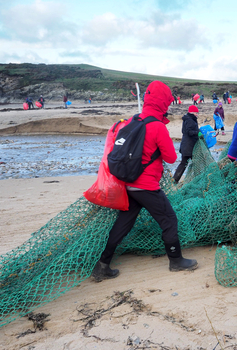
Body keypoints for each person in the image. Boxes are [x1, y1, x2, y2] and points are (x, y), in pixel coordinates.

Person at [92, 80, 198, 282]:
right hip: (146, 186)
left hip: (128, 184)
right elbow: (171, 158)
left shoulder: (133, 121)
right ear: (163, 103)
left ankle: (102, 265)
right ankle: (176, 260)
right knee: (169, 220)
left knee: (122, 225)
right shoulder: (157, 126)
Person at [173, 105, 202, 184]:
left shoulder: (188, 119)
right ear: (192, 112)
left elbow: (185, 131)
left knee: (184, 163)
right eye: (196, 113)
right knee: (196, 163)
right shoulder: (190, 120)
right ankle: (198, 180)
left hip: (186, 145)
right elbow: (189, 132)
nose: (197, 114)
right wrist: (197, 133)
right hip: (189, 147)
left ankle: (175, 180)